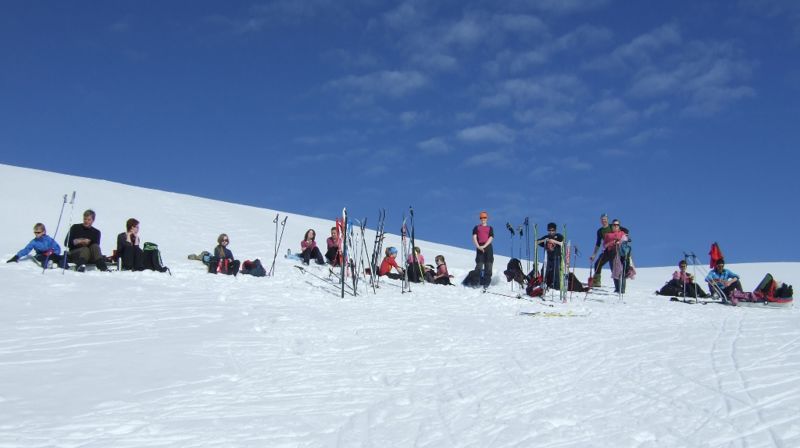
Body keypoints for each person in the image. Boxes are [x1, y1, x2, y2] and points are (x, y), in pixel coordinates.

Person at [601, 219, 629, 293]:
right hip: (612, 253)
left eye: (617, 225)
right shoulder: (608, 235)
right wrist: (613, 242)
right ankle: (617, 288)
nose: (615, 226)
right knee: (614, 270)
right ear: (612, 226)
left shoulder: (622, 233)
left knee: (622, 270)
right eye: (614, 225)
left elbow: (625, 240)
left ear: (619, 226)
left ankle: (622, 289)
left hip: (621, 253)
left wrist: (621, 241)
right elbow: (604, 245)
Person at [535, 222, 564, 289]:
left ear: (555, 230)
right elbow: (537, 242)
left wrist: (553, 241)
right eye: (549, 230)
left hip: (557, 257)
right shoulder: (546, 237)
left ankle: (557, 287)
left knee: (556, 272)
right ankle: (543, 284)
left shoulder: (559, 236)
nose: (551, 232)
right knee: (544, 271)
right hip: (547, 258)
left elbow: (562, 244)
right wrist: (544, 240)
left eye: (552, 230)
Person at [472, 211, 494, 288]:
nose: (483, 219)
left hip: (487, 247)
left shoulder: (490, 228)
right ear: (480, 218)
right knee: (479, 265)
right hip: (479, 247)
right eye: (481, 217)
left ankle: (486, 283)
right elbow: (474, 237)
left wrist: (484, 246)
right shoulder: (476, 227)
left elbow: (491, 238)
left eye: (484, 217)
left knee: (488, 265)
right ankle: (475, 282)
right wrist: (478, 246)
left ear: (487, 218)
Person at [588, 214, 611, 287]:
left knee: (614, 267)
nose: (604, 220)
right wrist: (594, 254)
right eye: (602, 219)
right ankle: (597, 282)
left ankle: (619, 285)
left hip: (615, 249)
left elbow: (624, 230)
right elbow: (598, 243)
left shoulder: (612, 227)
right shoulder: (600, 231)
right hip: (606, 250)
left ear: (607, 219)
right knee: (597, 263)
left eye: (605, 219)